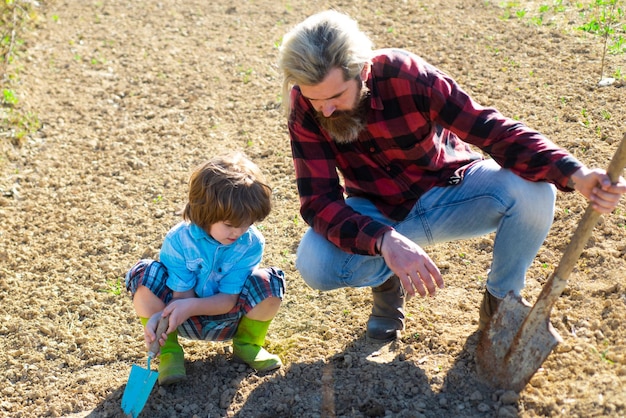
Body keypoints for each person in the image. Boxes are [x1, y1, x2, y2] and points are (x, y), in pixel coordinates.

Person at [277, 10, 626, 342]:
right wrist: (383, 241)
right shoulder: (306, 106)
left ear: (363, 71)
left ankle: (500, 303)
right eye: (315, 99)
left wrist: (576, 174)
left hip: (454, 190)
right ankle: (386, 281)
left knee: (534, 193)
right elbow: (319, 201)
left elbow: (494, 131)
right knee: (315, 263)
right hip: (380, 212)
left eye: (336, 96)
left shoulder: (406, 75)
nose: (326, 109)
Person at [125, 152, 286, 385]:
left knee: (269, 282)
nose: (238, 232)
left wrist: (189, 306)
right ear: (205, 213)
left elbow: (229, 299)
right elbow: (181, 297)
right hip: (183, 321)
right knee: (145, 273)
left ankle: (247, 345)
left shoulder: (250, 243)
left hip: (228, 319)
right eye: (230, 225)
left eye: (247, 224)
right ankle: (169, 352)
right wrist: (162, 318)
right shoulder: (180, 240)